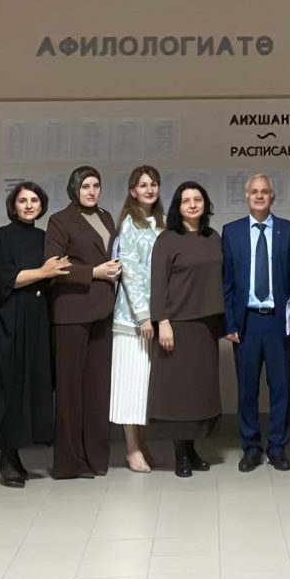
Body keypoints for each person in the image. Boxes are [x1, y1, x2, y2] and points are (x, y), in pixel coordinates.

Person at [0, 182, 65, 487]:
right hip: (10, 318)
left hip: (38, 319)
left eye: (34, 200)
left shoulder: (45, 239)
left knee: (33, 384)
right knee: (11, 385)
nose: (29, 205)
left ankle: (17, 453)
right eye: (22, 201)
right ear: (13, 206)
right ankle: (7, 456)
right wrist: (43, 272)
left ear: (42, 205)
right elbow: (3, 279)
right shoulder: (2, 237)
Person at [222, 174, 290, 473]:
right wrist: (229, 323)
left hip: (278, 322)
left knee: (280, 388)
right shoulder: (231, 232)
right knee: (247, 390)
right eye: (254, 192)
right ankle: (251, 448)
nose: (259, 196)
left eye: (264, 191)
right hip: (245, 322)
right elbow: (226, 283)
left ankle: (277, 447)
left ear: (273, 196)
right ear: (246, 196)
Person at [44, 165, 122, 479]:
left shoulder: (106, 217)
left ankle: (96, 458)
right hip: (71, 313)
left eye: (96, 185)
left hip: (103, 310)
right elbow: (53, 266)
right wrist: (94, 272)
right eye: (86, 186)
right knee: (69, 391)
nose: (91, 191)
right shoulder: (60, 220)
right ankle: (70, 463)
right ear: (74, 188)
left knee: (98, 389)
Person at [151, 182, 224, 477]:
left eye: (197, 199)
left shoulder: (213, 237)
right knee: (178, 394)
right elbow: (158, 284)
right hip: (177, 325)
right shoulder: (167, 239)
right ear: (177, 207)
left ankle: (192, 450)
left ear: (205, 204)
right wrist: (163, 321)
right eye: (185, 201)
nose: (192, 205)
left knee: (198, 394)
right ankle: (180, 454)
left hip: (206, 326)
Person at [111, 166, 165, 473]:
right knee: (130, 385)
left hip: (156, 319)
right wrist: (144, 317)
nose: (149, 189)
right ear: (132, 191)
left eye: (154, 184)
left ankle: (141, 444)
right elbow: (130, 274)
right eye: (143, 185)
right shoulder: (129, 224)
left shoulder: (163, 223)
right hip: (132, 321)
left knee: (145, 387)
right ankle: (131, 448)